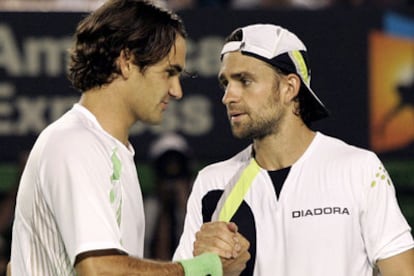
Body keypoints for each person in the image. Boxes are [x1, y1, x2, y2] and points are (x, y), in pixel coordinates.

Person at [8, 0, 250, 275]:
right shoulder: (75, 143)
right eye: (169, 73)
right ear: (126, 62)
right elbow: (99, 269)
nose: (176, 90)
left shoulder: (110, 150)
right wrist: (201, 268)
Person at [173, 23, 414, 275]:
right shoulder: (212, 182)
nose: (228, 96)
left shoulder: (359, 168)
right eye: (226, 83)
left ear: (289, 87)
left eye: (244, 80)